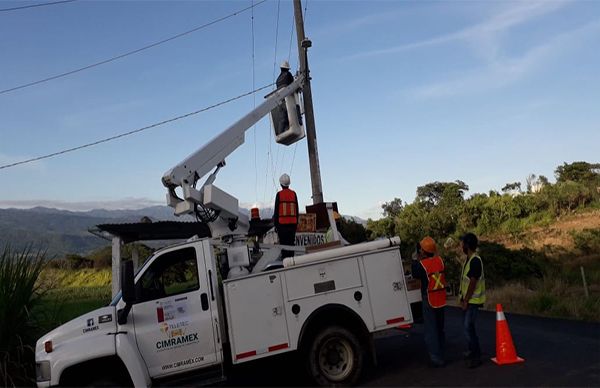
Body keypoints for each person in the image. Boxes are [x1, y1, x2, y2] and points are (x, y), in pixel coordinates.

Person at [411, 236, 447, 367]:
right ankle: (442, 353)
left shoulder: (422, 265)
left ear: (423, 251)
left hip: (429, 300)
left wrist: (415, 257)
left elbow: (414, 272)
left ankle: (436, 358)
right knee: (439, 329)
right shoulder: (440, 261)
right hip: (441, 298)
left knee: (431, 330)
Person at [459, 232, 486, 368]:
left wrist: (466, 300)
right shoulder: (468, 260)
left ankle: (477, 356)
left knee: (468, 328)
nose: (461, 245)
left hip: (472, 302)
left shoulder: (475, 260)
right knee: (469, 328)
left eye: (462, 243)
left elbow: (472, 282)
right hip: (468, 301)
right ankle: (472, 351)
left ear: (467, 245)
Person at [273, 173, 298, 259]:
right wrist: (296, 223)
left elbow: (276, 211)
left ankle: (285, 262)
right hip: (292, 225)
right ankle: (292, 261)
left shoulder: (279, 194)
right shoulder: (293, 194)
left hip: (282, 225)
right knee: (291, 245)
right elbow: (296, 209)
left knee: (284, 246)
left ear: (281, 184)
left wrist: (276, 225)